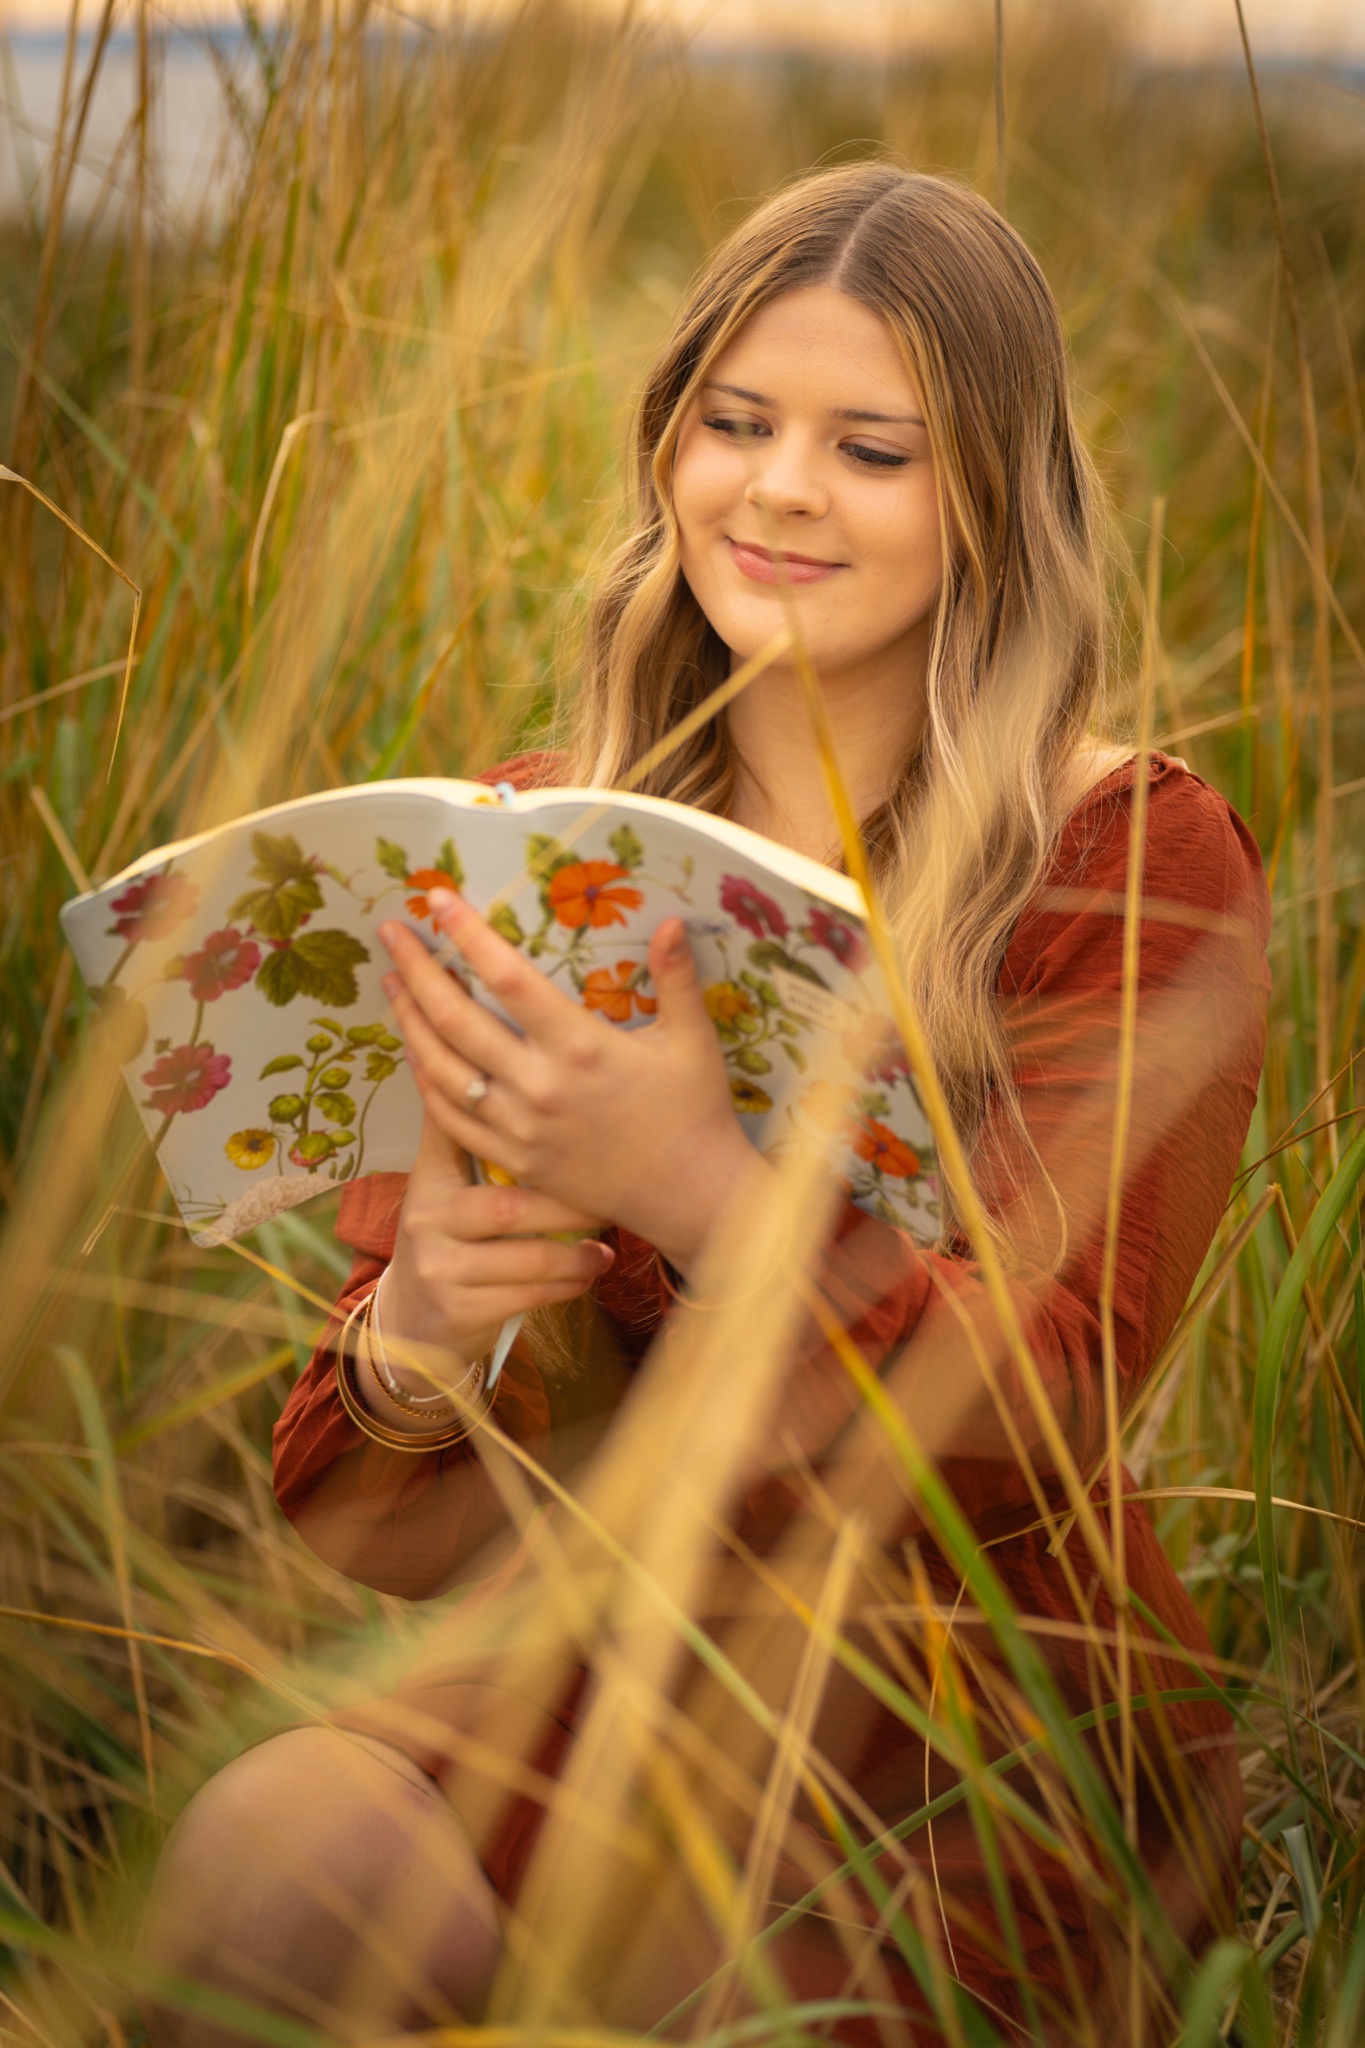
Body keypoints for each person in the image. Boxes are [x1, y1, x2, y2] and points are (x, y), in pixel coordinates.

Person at [138, 162, 1271, 2047]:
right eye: (733, 424)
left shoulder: (1123, 856)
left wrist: (698, 1187)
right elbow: (375, 1542)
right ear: (669, 447)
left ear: (994, 491)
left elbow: (1047, 1420)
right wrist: (425, 1315)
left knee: (705, 1988)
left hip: (961, 1738)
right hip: (599, 1688)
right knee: (274, 1863)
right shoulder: (534, 836)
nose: (779, 490)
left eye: (873, 449)